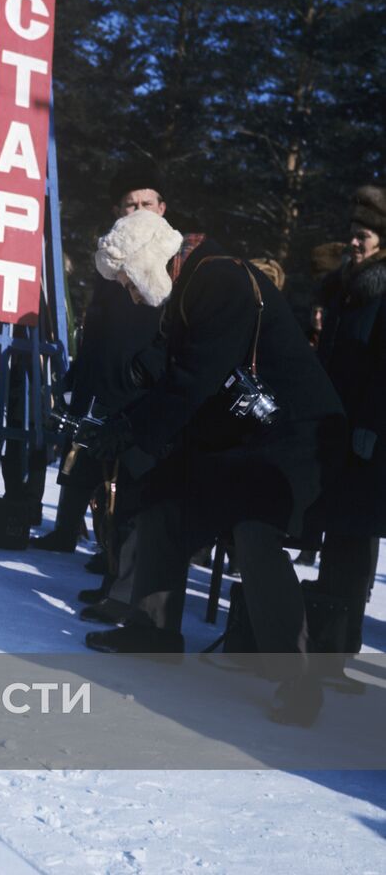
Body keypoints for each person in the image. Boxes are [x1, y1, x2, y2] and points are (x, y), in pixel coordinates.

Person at [82, 209, 346, 726]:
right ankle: (152, 630)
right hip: (244, 435)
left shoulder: (218, 279)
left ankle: (296, 679)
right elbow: (170, 366)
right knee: (165, 499)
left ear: (151, 265)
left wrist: (133, 429)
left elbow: (194, 380)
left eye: (131, 283)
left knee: (255, 534)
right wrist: (121, 411)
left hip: (296, 436)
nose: (132, 296)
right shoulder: (192, 282)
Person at [36, 162, 170, 632]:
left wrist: (144, 372)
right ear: (118, 211)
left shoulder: (171, 256)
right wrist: (81, 372)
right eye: (130, 205)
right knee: (104, 493)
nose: (138, 211)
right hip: (102, 390)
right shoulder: (110, 260)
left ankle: (126, 587)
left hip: (142, 395)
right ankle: (112, 572)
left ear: (162, 209)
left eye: (146, 204)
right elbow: (97, 327)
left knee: (133, 493)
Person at [312, 185, 386, 652]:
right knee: (339, 533)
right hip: (338, 425)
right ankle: (330, 637)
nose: (354, 243)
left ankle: (338, 645)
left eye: (365, 236)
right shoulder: (345, 290)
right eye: (353, 234)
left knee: (355, 537)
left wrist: (372, 425)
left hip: (369, 435)